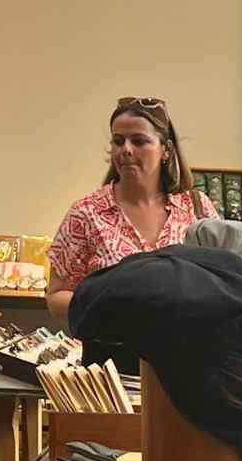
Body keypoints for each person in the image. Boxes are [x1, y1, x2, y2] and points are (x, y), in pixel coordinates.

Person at [45, 96, 218, 321]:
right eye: (118, 141)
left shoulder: (196, 209)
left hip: (188, 342)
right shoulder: (86, 213)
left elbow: (225, 281)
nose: (126, 149)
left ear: (166, 149)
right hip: (110, 342)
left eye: (139, 141)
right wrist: (107, 306)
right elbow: (56, 296)